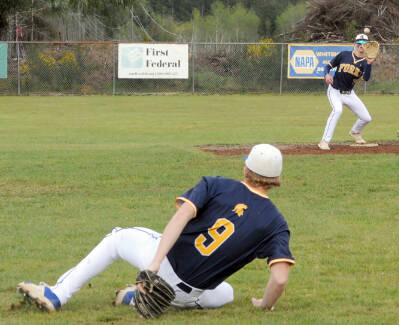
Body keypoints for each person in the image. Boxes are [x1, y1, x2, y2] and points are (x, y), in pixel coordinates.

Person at [18, 143, 295, 314]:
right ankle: (137, 297)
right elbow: (280, 279)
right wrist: (265, 304)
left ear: (246, 169)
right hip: (190, 295)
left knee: (117, 238)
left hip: (166, 269)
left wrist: (154, 264)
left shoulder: (217, 184)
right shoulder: (276, 223)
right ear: (277, 179)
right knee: (228, 292)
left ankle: (57, 294)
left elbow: (181, 217)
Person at [318, 33, 376, 150]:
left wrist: (369, 65)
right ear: (355, 44)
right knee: (337, 111)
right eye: (359, 43)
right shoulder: (344, 55)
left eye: (364, 44)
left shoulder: (365, 61)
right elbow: (327, 67)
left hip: (349, 94)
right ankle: (324, 141)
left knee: (366, 118)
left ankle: (355, 132)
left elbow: (366, 78)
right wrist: (327, 75)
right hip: (335, 91)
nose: (361, 46)